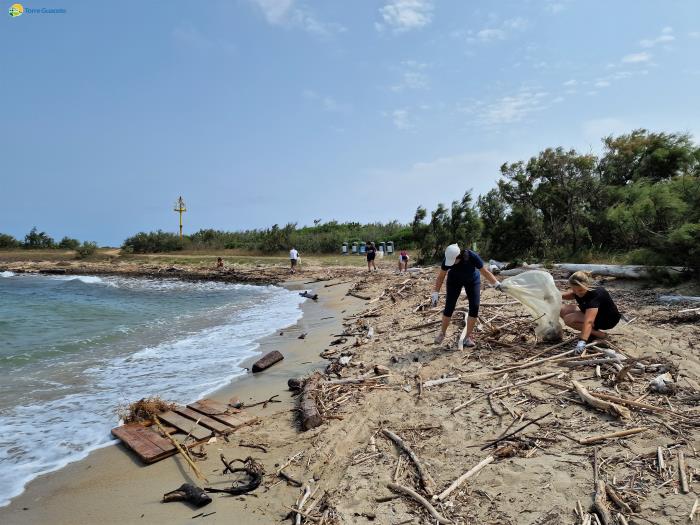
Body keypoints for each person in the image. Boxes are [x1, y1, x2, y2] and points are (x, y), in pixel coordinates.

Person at [431, 243, 501, 347]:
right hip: (454, 281)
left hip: (472, 280)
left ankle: (467, 337)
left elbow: (484, 272)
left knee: (475, 306)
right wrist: (435, 293)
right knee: (449, 306)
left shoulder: (471, 256)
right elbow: (441, 276)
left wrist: (497, 284)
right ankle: (442, 333)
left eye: (454, 261)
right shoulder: (447, 260)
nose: (452, 264)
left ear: (459, 256)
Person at [560, 271, 621, 353]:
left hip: (607, 319)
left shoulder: (595, 295)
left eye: (580, 290)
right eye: (574, 290)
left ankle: (600, 335)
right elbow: (570, 295)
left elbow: (589, 321)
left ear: (587, 285)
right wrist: (555, 295)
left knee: (568, 319)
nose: (578, 293)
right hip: (592, 313)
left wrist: (582, 340)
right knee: (563, 310)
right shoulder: (578, 290)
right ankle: (591, 333)